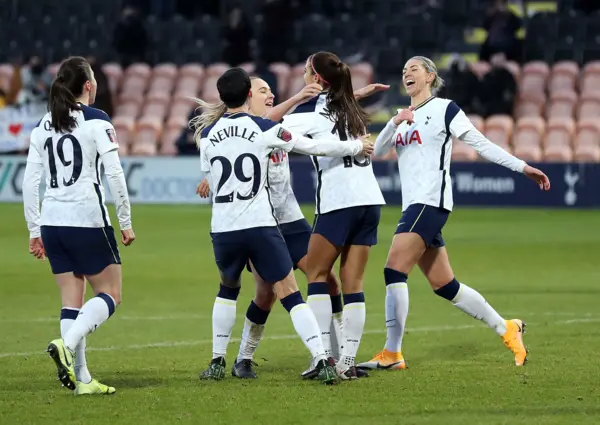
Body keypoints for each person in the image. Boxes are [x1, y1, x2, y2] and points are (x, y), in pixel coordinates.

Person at [357, 56, 550, 371]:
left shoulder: (445, 109)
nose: (407, 73)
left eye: (414, 69)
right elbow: (377, 151)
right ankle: (507, 327)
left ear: (430, 76)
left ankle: (392, 354)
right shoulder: (402, 115)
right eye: (404, 70)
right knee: (446, 285)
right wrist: (394, 122)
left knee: (394, 270)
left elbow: (481, 143)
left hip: (430, 202)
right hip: (415, 205)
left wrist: (522, 167)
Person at [193, 76, 388, 379]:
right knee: (265, 294)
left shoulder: (277, 124)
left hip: (289, 219)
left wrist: (353, 94)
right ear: (248, 96)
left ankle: (336, 356)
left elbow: (319, 118)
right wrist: (297, 97)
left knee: (326, 278)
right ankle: (244, 357)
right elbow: (270, 123)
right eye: (263, 91)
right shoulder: (263, 126)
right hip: (259, 222)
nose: (270, 95)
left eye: (272, 91)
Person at [22, 56, 135, 395]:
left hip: (53, 223)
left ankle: (82, 380)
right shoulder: (97, 121)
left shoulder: (44, 124)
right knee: (111, 294)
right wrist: (126, 221)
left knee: (72, 300)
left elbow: (30, 181)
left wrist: (34, 229)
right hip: (86, 221)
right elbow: (115, 174)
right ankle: (66, 345)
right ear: (88, 85)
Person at [280, 51, 386, 380]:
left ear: (315, 79)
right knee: (353, 283)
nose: (301, 75)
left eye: (305, 70)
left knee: (316, 273)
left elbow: (267, 124)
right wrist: (358, 93)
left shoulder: (311, 114)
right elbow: (339, 102)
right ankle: (347, 363)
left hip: (338, 202)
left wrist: (295, 100)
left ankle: (323, 357)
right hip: (370, 200)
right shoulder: (352, 108)